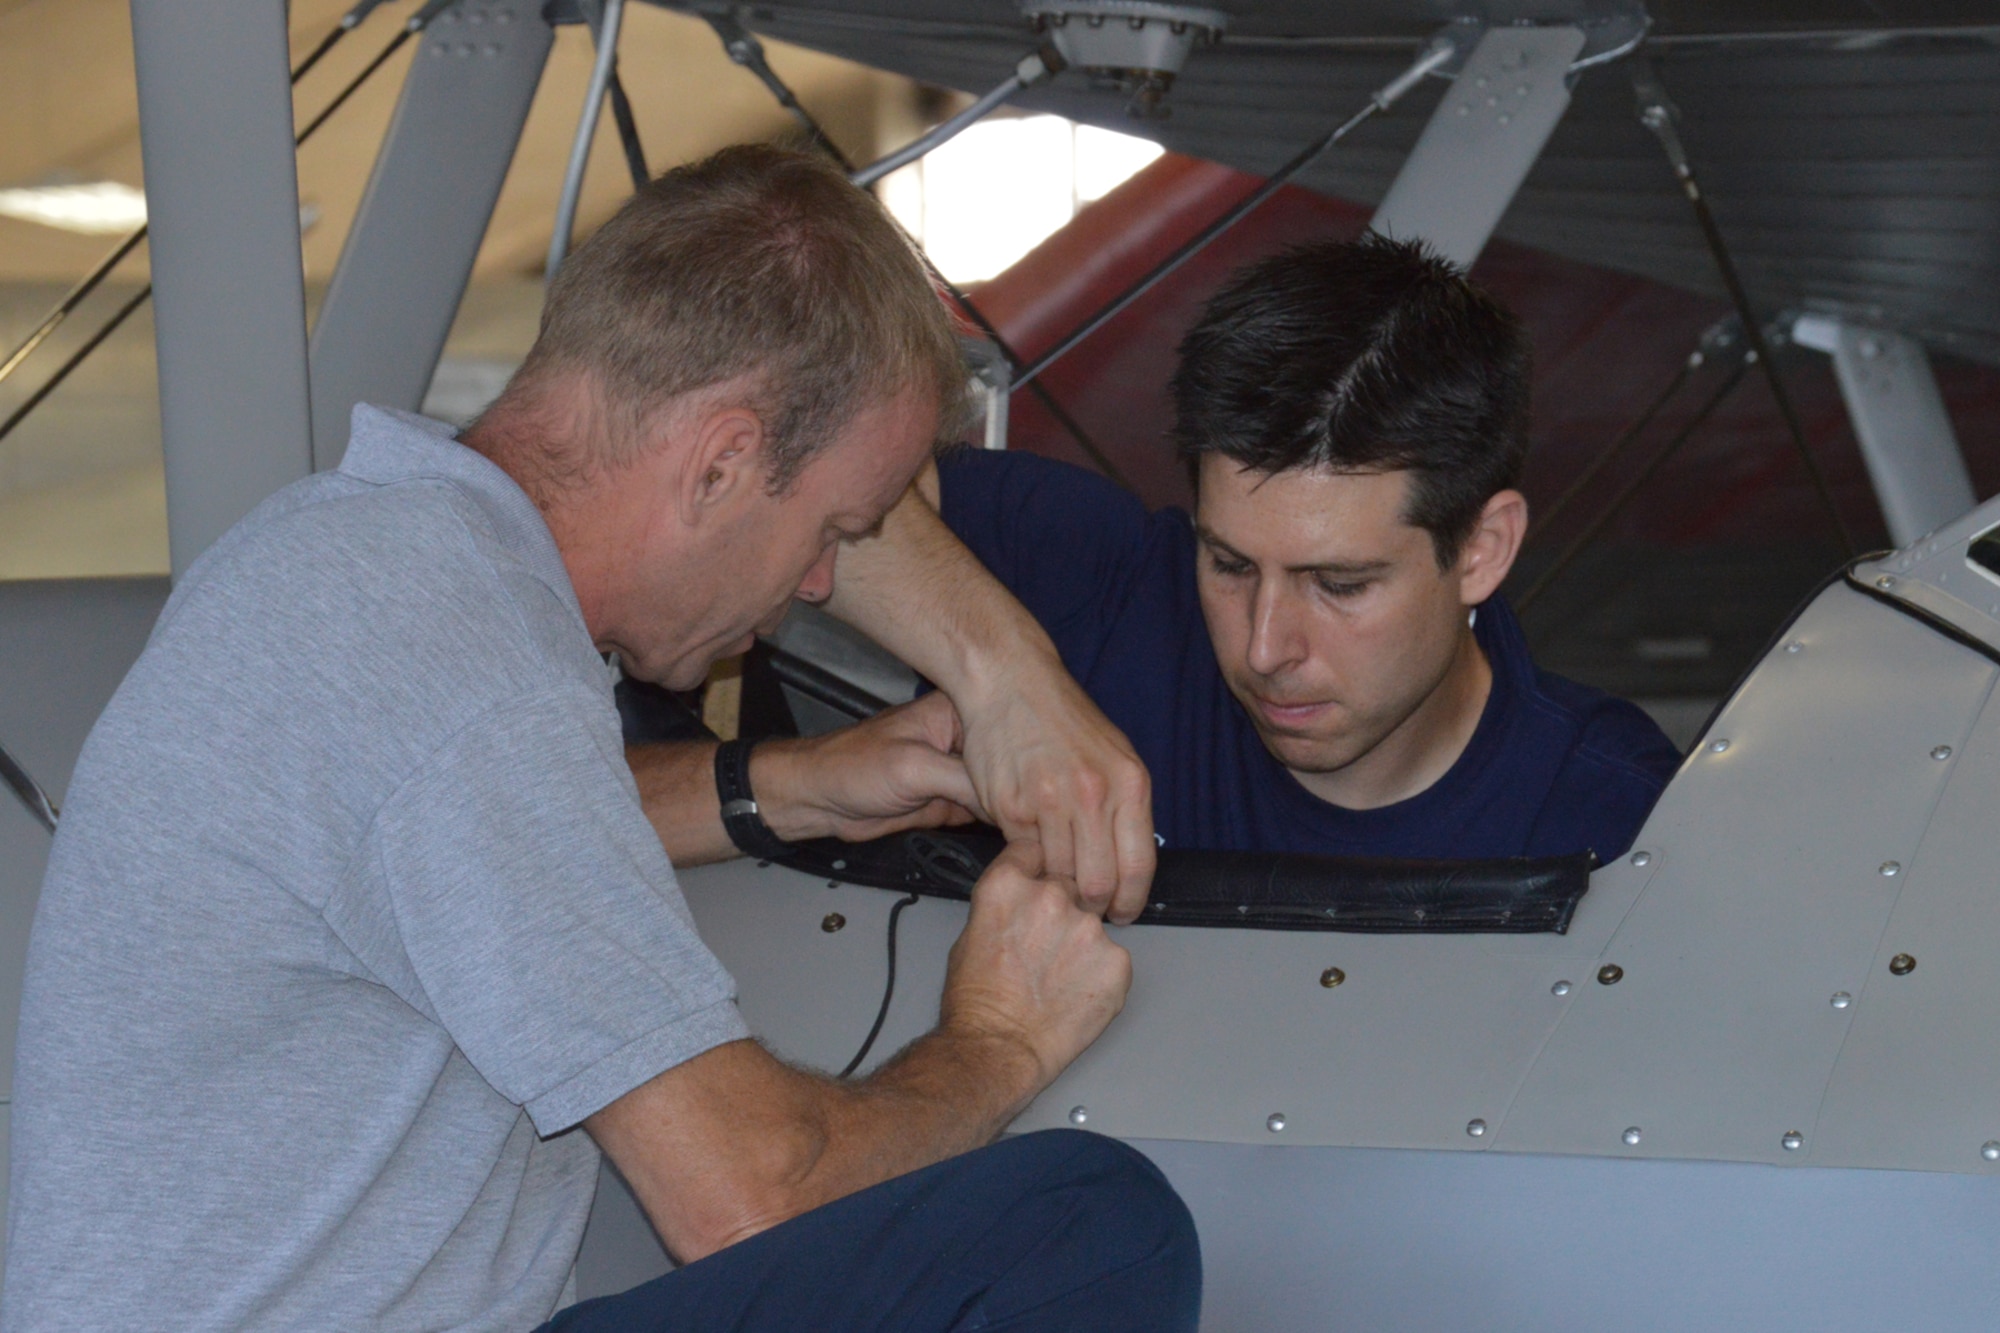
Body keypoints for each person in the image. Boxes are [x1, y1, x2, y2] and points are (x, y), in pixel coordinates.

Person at [1, 147, 1194, 1331]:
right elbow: (746, 1198)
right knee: (1090, 1222)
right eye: (831, 528)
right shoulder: (461, 660)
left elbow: (426, 856)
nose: (821, 580)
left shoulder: (358, 565)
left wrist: (777, 788)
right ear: (722, 462)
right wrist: (995, 1039)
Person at [932, 235, 1681, 863]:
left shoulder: (1615, 824)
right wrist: (1004, 676)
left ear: (1482, 550)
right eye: (1228, 564)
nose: (1264, 649)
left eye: (1339, 583)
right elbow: (828, 475)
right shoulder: (1108, 590)